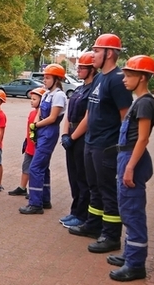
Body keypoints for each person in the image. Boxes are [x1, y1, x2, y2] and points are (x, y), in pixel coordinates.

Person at [68, 34, 133, 255]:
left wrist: (123, 149)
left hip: (107, 146)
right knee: (93, 186)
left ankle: (111, 236)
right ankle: (93, 224)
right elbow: (90, 113)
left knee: (107, 190)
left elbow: (126, 116)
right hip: (90, 143)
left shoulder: (117, 79)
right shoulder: (98, 79)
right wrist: (76, 136)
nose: (93, 54)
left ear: (110, 53)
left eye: (97, 51)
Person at [107, 55, 154, 282]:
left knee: (133, 212)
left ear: (143, 77)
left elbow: (143, 139)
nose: (125, 79)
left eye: (129, 75)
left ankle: (136, 265)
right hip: (126, 156)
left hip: (133, 159)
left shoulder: (145, 102)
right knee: (127, 209)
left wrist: (129, 168)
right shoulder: (138, 101)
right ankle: (129, 255)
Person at [19, 64, 67, 214]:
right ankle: (45, 200)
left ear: (57, 79)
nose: (44, 80)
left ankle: (35, 204)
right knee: (43, 168)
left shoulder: (59, 95)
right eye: (44, 77)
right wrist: (36, 125)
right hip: (41, 130)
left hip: (49, 132)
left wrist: (36, 125)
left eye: (47, 78)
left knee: (35, 168)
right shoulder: (46, 94)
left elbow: (53, 118)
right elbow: (40, 112)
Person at [58, 52, 96, 227]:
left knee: (82, 177)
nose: (78, 69)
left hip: (81, 137)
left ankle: (82, 215)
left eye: (83, 67)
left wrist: (72, 138)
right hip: (71, 133)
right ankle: (75, 211)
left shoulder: (93, 90)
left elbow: (88, 118)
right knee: (73, 176)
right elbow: (68, 114)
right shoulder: (79, 89)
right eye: (79, 66)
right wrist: (65, 134)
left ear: (92, 69)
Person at [8, 87, 45, 196]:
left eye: (34, 99)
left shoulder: (43, 115)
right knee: (26, 167)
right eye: (31, 99)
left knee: (35, 169)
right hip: (29, 146)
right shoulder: (31, 113)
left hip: (38, 147)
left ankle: (34, 189)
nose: (31, 101)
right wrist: (26, 140)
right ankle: (22, 187)